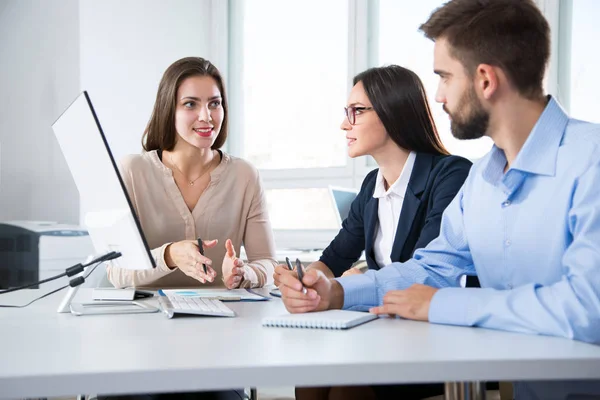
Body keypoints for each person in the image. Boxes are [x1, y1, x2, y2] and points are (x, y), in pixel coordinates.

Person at [278, 0, 600, 399]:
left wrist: (444, 306)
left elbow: (588, 309)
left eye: (445, 77)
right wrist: (338, 292)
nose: (439, 96)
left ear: (485, 80)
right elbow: (433, 267)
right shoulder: (482, 179)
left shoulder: (592, 162)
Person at [275, 65, 471, 400]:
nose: (344, 124)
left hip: (433, 334)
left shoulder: (450, 175)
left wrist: (339, 288)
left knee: (346, 389)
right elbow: (333, 259)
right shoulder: (371, 185)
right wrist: (303, 282)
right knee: (310, 372)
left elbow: (427, 273)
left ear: (393, 113)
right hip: (384, 328)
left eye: (357, 111)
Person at [106, 57, 277, 292]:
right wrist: (169, 255)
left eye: (214, 104)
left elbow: (268, 263)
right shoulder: (133, 171)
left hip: (224, 320)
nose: (206, 116)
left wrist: (244, 272)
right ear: (169, 110)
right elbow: (116, 270)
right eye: (190, 104)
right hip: (147, 319)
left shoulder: (244, 175)